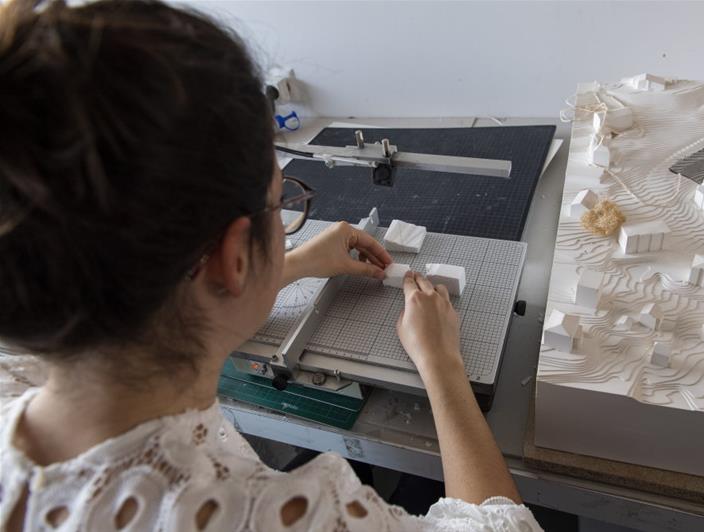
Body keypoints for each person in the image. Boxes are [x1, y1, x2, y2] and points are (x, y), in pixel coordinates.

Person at [0, 0, 542, 530]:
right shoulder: (273, 516)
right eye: (285, 202)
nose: (289, 220)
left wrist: (295, 263)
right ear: (234, 255)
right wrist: (443, 365)